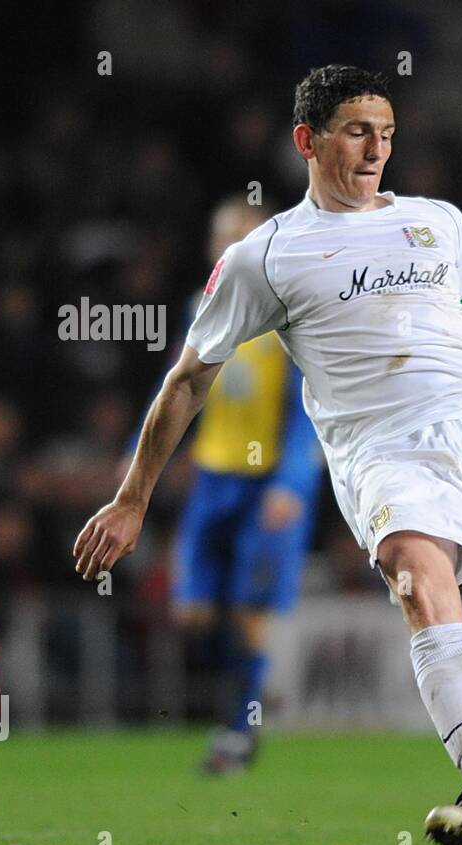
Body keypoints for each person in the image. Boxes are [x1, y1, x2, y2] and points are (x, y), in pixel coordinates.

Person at [73, 64, 462, 845]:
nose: (376, 148)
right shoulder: (265, 256)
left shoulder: (440, 221)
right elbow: (188, 377)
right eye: (356, 131)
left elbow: (453, 324)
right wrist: (132, 499)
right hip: (380, 443)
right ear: (308, 140)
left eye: (386, 133)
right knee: (419, 582)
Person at [125, 197, 325, 775]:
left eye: (246, 237)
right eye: (226, 238)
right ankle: (243, 702)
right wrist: (135, 459)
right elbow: (177, 387)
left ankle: (239, 731)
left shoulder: (289, 313)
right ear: (216, 248)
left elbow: (303, 409)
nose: (235, 247)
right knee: (191, 612)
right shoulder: (201, 306)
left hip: (266, 488)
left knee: (246, 612)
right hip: (213, 480)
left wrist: (292, 481)